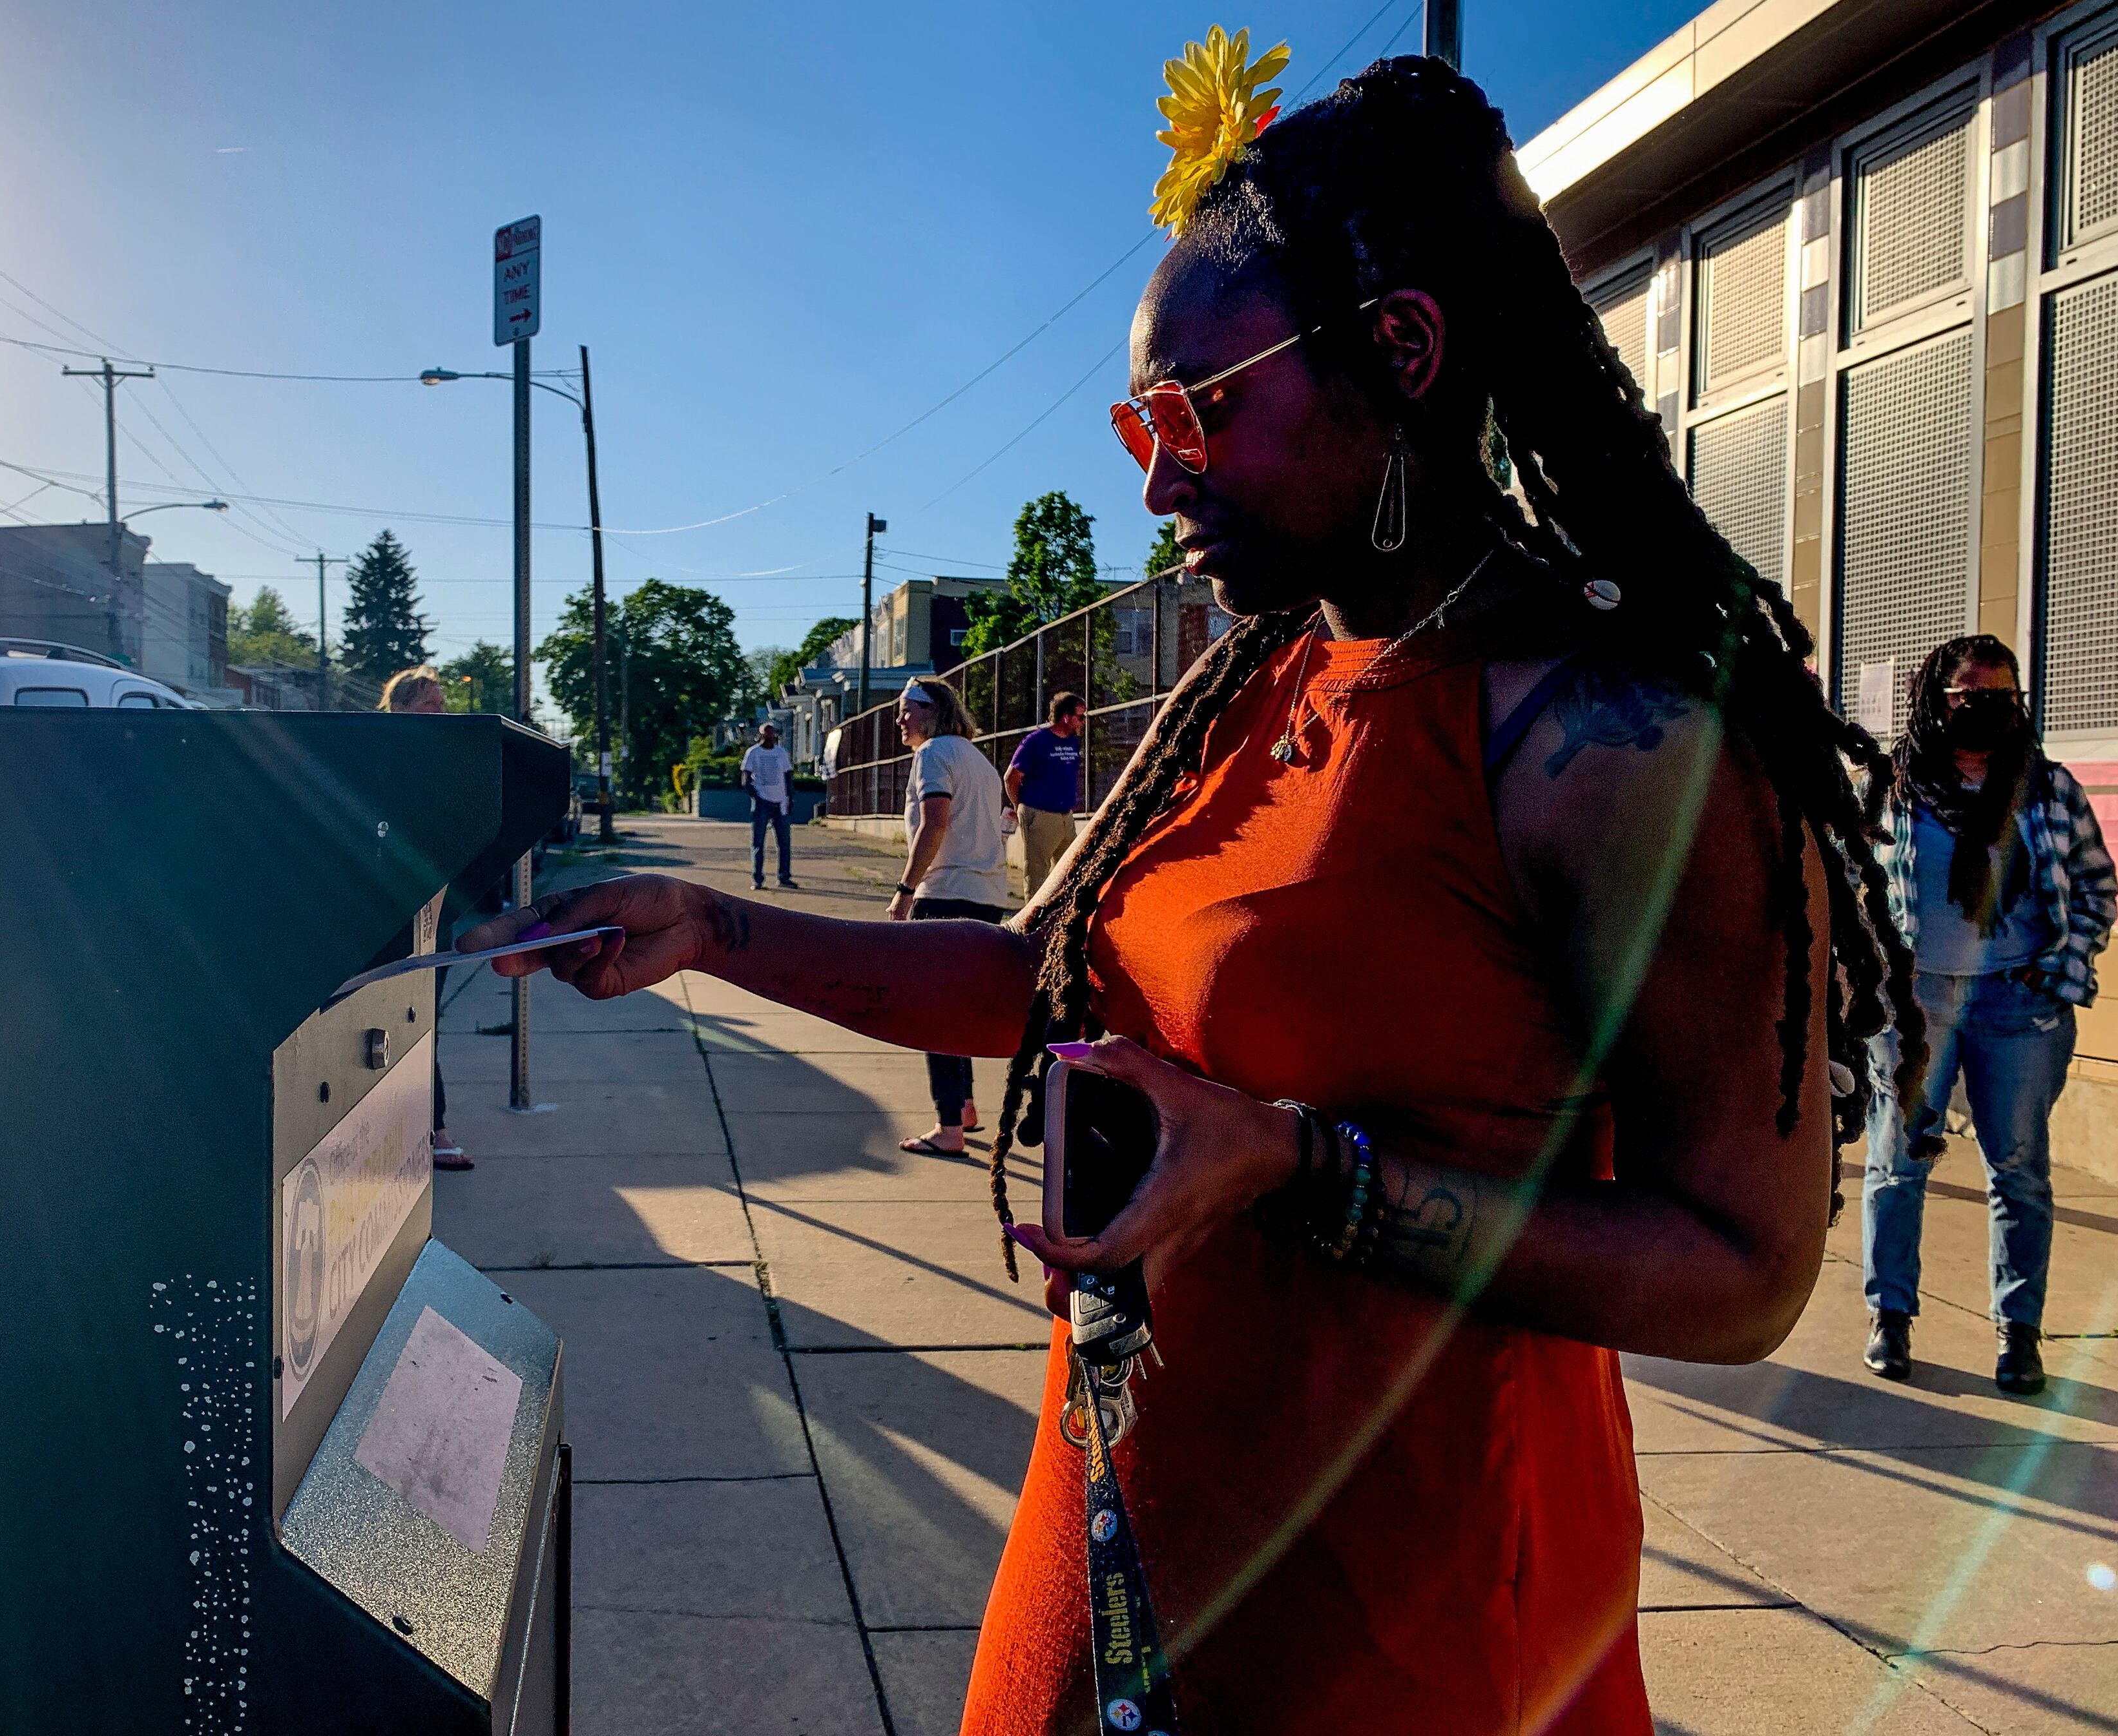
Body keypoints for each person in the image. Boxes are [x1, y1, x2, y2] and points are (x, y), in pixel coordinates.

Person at [465, 54, 1915, 1733]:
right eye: (1139, 425)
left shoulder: (1615, 742)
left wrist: (1302, 1167)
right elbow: (1040, 978)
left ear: (1403, 357)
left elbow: (1747, 1267)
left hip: (1410, 1621)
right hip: (1130, 1515)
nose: (1156, 477)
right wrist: (715, 932)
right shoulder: (1254, 687)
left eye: (1199, 410)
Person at [1861, 636, 2115, 1394]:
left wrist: (2057, 972)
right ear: (1936, 703)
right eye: (1969, 694)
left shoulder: (2048, 789)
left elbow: (2096, 889)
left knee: (2020, 1173)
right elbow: (1851, 883)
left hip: (2018, 1005)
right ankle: (1891, 1318)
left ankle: (2019, 1333)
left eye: (2002, 695)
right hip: (1916, 1007)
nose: (1986, 707)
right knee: (1896, 1168)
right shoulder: (1891, 787)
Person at [889, 677, 1010, 1156]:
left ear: (933, 711)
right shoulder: (979, 759)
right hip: (986, 895)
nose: (900, 719)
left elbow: (936, 821)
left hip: (944, 894)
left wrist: (904, 891)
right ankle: (964, 1108)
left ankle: (948, 1129)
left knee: (934, 1014)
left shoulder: (933, 754)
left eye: (907, 710)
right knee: (961, 1009)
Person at [381, 665, 473, 1172]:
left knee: (425, 1017)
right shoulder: (382, 762)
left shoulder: (450, 761)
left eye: (441, 705)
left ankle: (433, 1127)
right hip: (387, 906)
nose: (440, 714)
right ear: (399, 710)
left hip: (435, 908)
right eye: (428, 706)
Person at [1004, 691, 1086, 893]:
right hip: (1039, 815)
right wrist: (1021, 807)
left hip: (1066, 817)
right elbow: (1011, 778)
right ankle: (1034, 921)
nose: (1083, 722)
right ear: (1066, 717)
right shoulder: (1036, 741)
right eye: (1081, 717)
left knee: (1071, 871)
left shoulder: (1073, 741)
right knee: (1037, 874)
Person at [742, 721, 799, 890]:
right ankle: (757, 879)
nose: (770, 737)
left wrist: (790, 799)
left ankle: (784, 878)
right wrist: (755, 795)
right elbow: (745, 778)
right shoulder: (753, 753)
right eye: (767, 734)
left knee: (784, 844)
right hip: (762, 804)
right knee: (758, 843)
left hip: (781, 804)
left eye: (772, 734)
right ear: (760, 735)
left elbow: (788, 776)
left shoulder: (781, 753)